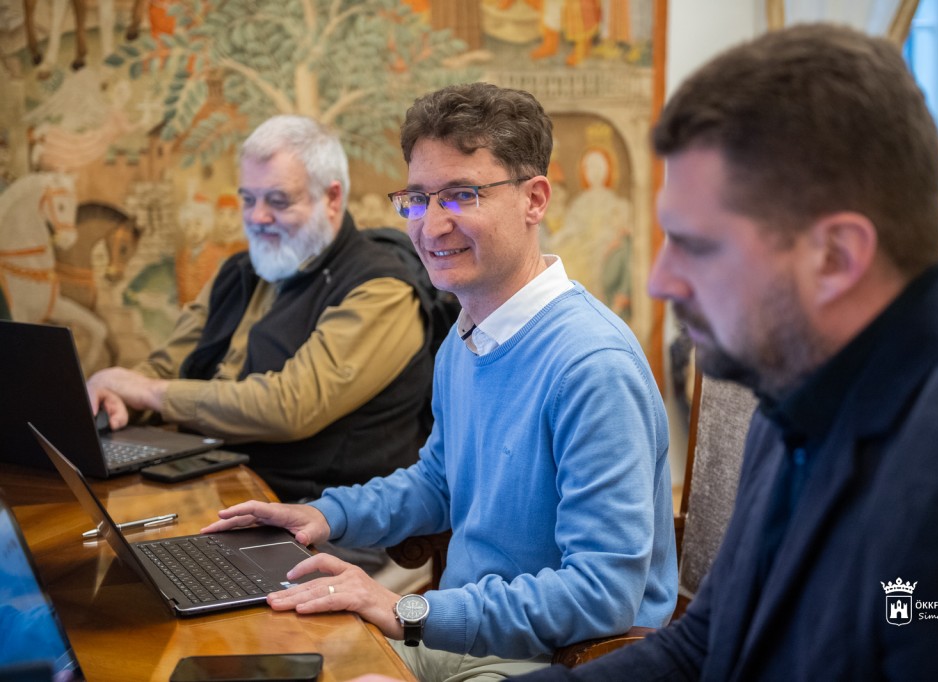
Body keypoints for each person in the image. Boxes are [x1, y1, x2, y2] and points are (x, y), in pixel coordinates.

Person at [512, 23, 938, 681]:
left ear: (835, 256)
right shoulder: (798, 376)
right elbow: (703, 646)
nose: (660, 282)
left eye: (696, 245)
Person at [202, 83, 677, 681]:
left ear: (534, 200)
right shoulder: (465, 335)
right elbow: (439, 483)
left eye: (461, 195)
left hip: (554, 658)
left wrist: (411, 610)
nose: (431, 225)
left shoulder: (593, 366)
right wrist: (322, 516)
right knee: (267, 653)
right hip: (460, 633)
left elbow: (602, 593)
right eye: (418, 199)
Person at [87, 115, 435, 509]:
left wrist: (150, 393)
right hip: (218, 484)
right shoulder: (237, 270)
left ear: (332, 198)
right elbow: (169, 366)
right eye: (249, 199)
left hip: (324, 513)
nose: (256, 217)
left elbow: (291, 406)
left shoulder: (382, 289)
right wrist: (115, 395)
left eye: (278, 201)